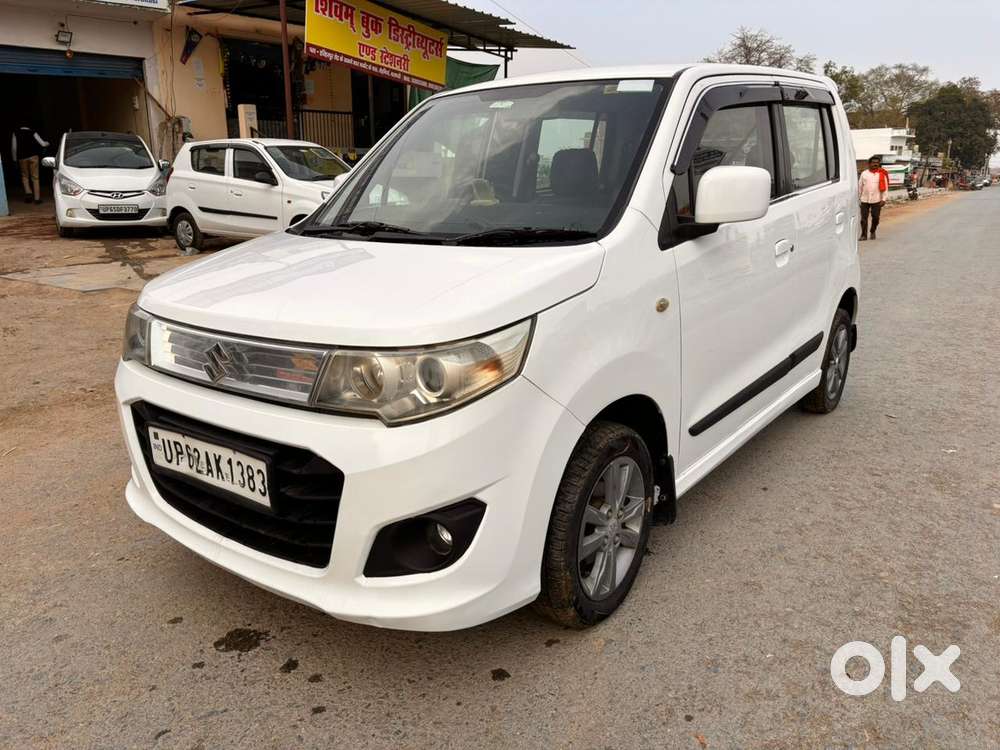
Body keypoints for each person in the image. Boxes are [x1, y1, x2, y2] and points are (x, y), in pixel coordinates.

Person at [11, 124, 50, 204]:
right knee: (35, 177)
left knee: (25, 176)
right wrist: (47, 143)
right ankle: (37, 199)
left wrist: (14, 160)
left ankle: (28, 193)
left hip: (22, 158)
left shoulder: (15, 133)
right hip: (34, 157)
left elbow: (14, 148)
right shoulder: (32, 132)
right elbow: (42, 144)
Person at [858, 155, 889, 241]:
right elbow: (860, 186)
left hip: (877, 200)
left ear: (879, 164)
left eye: (877, 163)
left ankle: (872, 231)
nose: (875, 164)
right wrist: (858, 198)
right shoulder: (864, 173)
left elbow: (885, 188)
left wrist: (884, 199)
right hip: (864, 199)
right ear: (869, 164)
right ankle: (864, 235)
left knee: (876, 217)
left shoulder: (882, 174)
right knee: (863, 219)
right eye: (873, 163)